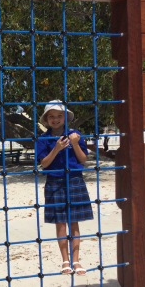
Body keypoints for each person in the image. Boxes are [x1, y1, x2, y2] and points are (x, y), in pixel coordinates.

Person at [36, 99, 92, 276]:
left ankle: (76, 260)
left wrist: (74, 143)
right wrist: (57, 148)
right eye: (51, 116)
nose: (55, 119)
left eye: (59, 115)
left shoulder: (75, 134)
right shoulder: (43, 139)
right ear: (46, 119)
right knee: (60, 224)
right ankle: (65, 261)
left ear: (66, 117)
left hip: (74, 180)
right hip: (54, 181)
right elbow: (44, 164)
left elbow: (83, 160)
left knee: (74, 222)